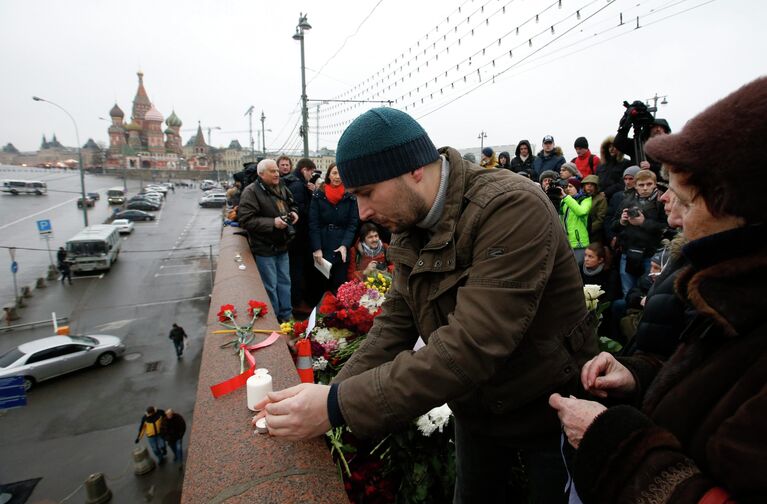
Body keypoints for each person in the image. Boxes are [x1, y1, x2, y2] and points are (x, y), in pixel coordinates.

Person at [254, 107, 597, 503]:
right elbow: (395, 325)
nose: (362, 212)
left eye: (367, 193)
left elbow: (470, 346)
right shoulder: (410, 221)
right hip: (478, 408)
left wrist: (335, 406)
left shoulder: (511, 207)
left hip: (550, 410)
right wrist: (327, 396)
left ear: (414, 169)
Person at [550, 76, 767, 504]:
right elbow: (701, 377)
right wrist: (639, 375)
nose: (674, 214)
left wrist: (611, 443)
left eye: (686, 201)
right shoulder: (727, 290)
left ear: (741, 218)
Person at [237, 159, 299, 323]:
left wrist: (293, 213)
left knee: (285, 282)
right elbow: (245, 220)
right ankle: (273, 320)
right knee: (270, 286)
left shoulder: (281, 187)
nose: (277, 174)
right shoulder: (251, 192)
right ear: (261, 174)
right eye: (273, 171)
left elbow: (292, 204)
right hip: (264, 248)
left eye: (277, 171)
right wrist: (272, 223)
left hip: (282, 244)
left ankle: (286, 316)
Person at [612, 170, 667, 296]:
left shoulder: (662, 202)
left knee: (651, 292)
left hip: (651, 255)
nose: (645, 188)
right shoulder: (626, 201)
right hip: (628, 254)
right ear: (635, 185)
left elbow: (668, 228)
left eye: (649, 184)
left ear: (655, 185)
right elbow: (613, 225)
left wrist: (643, 222)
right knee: (628, 293)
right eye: (641, 185)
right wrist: (622, 221)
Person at [309, 163, 359, 292]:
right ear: (329, 175)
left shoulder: (350, 196)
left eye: (341, 173)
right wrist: (317, 249)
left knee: (340, 285)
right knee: (321, 285)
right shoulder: (319, 195)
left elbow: (353, 224)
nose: (338, 177)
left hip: (341, 246)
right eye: (334, 173)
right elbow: (313, 224)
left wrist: (345, 245)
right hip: (323, 245)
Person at [285, 158, 320, 309]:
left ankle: (297, 300)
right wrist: (313, 195)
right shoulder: (298, 186)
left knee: (296, 269)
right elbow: (303, 211)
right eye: (311, 171)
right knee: (297, 270)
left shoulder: (294, 183)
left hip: (295, 237)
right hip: (299, 238)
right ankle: (297, 301)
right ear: (304, 170)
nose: (311, 175)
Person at [559, 177, 592, 264]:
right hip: (566, 242)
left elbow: (581, 211)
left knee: (578, 269)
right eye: (567, 187)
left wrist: (566, 198)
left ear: (577, 188)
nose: (568, 189)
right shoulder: (565, 200)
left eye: (571, 186)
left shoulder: (585, 199)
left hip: (579, 242)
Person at [595, 136, 632, 201]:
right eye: (609, 147)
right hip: (600, 198)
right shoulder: (601, 165)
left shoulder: (626, 163)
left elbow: (623, 183)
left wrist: (606, 193)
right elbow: (596, 180)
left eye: (614, 146)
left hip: (616, 198)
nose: (611, 149)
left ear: (620, 148)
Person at [582, 175, 607, 245]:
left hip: (594, 235)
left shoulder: (601, 199)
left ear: (596, 187)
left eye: (592, 184)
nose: (589, 186)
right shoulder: (581, 197)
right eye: (587, 184)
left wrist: (586, 230)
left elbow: (600, 219)